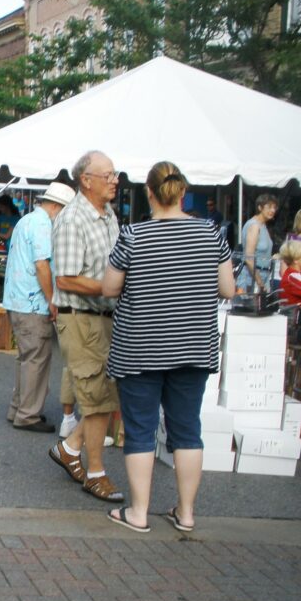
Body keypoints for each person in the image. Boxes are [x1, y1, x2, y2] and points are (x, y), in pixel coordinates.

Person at [101, 161, 235, 533]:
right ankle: (187, 513)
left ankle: (139, 512)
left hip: (140, 347)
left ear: (149, 193)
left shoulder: (133, 236)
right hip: (193, 347)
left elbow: (110, 288)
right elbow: (227, 289)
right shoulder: (212, 234)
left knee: (141, 430)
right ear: (182, 192)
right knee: (188, 431)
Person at [49, 150, 124, 503]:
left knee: (106, 396)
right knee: (96, 399)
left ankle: (70, 447)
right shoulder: (72, 218)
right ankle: (96, 473)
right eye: (107, 175)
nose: (114, 180)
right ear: (86, 180)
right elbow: (64, 278)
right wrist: (113, 287)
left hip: (104, 317)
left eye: (115, 174)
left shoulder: (107, 214)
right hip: (81, 319)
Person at [2, 181, 75, 432]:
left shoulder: (27, 220)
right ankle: (28, 414)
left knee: (26, 358)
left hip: (17, 299)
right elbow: (42, 265)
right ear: (56, 206)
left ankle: (19, 408)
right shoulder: (44, 225)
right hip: (32, 302)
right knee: (37, 359)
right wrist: (52, 298)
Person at [236, 193, 278, 294]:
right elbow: (249, 257)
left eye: (274, 207)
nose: (272, 210)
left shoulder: (262, 225)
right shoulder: (254, 226)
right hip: (251, 278)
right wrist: (260, 282)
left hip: (262, 275)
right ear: (260, 207)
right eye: (269, 207)